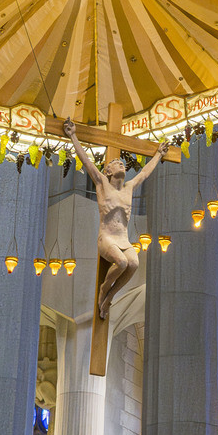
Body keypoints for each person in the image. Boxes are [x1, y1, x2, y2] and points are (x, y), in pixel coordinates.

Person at [63, 117, 161, 319]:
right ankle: (103, 289)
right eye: (117, 163)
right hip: (106, 238)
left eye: (122, 163)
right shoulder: (101, 183)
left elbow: (144, 173)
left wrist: (159, 154)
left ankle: (110, 296)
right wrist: (73, 135)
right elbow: (86, 161)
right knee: (122, 263)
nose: (121, 164)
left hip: (123, 239)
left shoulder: (129, 187)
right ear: (108, 171)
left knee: (133, 264)